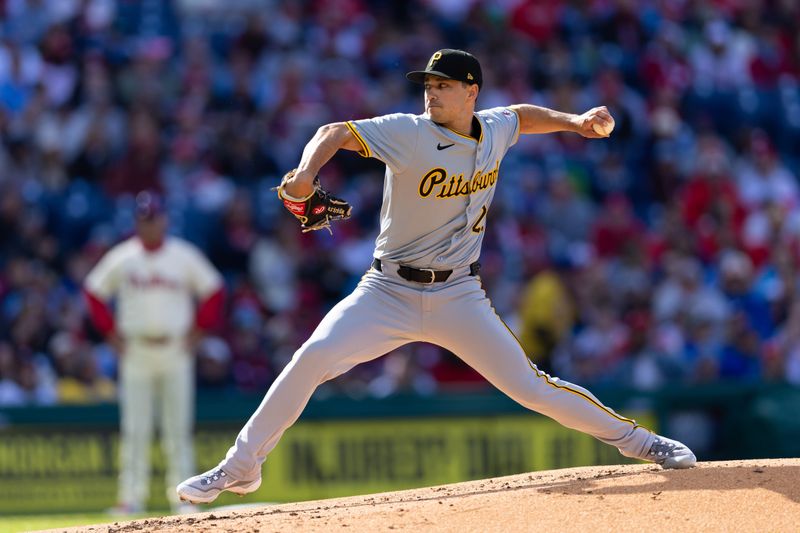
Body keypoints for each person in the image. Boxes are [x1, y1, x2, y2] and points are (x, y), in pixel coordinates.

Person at [177, 49, 696, 505]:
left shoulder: (493, 127)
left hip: (458, 293)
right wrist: (307, 173)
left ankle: (643, 442)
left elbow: (522, 117)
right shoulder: (409, 133)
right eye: (428, 85)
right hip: (387, 290)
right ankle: (241, 468)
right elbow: (332, 132)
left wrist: (576, 121)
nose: (432, 94)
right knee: (311, 358)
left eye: (443, 85)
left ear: (471, 91)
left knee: (532, 387)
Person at [83, 191, 225, 514]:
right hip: (136, 349)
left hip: (176, 348)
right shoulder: (124, 257)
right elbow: (93, 292)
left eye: (154, 219)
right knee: (135, 428)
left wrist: (199, 331)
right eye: (144, 220)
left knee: (178, 428)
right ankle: (131, 497)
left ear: (164, 220)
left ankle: (185, 497)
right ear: (137, 222)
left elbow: (214, 290)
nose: (150, 226)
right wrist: (110, 335)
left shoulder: (182, 255)